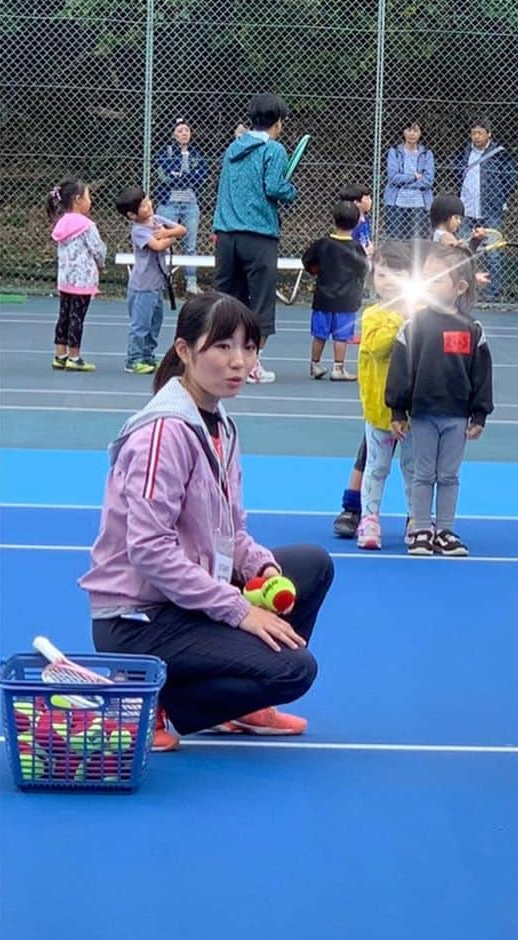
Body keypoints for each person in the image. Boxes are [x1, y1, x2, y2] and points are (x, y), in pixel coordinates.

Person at [79, 293, 334, 751]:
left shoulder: (221, 426)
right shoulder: (164, 432)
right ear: (184, 352)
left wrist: (262, 568)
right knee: (295, 668)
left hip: (186, 601)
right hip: (139, 619)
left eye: (249, 347)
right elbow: (149, 550)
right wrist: (240, 610)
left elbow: (230, 530)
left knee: (311, 565)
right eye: (222, 347)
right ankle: (150, 697)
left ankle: (235, 705)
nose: (239, 361)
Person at [386, 244, 494, 557]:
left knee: (448, 476)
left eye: (437, 279)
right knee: (423, 474)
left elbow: (481, 375)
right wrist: (397, 409)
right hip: (421, 415)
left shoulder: (472, 330)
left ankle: (445, 531)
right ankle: (420, 529)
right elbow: (401, 370)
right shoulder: (413, 326)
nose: (429, 285)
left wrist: (479, 415)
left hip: (457, 417)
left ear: (459, 287)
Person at [212, 93, 298, 384]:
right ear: (278, 122)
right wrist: (291, 191)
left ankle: (220, 361)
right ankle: (251, 364)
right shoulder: (274, 150)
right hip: (259, 236)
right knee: (260, 304)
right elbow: (275, 187)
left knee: (226, 301)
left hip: (225, 235)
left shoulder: (233, 147)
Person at [354, 240, 416, 550]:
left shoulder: (421, 314)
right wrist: (398, 316)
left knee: (413, 470)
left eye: (396, 274)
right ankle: (369, 519)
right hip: (380, 409)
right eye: (380, 275)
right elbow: (378, 347)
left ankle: (415, 519)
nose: (388, 281)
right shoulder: (373, 316)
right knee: (377, 467)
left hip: (414, 412)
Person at [115, 186, 187, 375]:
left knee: (155, 322)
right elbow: (157, 245)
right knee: (140, 324)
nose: (149, 205)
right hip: (142, 286)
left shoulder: (156, 220)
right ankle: (133, 359)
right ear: (132, 214)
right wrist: (170, 238)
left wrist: (166, 233)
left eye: (148, 201)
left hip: (156, 285)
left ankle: (147, 355)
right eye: (143, 205)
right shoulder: (138, 230)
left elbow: (181, 229)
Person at [301, 201, 369, 381]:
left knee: (319, 334)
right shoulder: (356, 248)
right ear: (355, 224)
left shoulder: (322, 244)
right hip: (346, 300)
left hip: (323, 297)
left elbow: (307, 260)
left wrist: (316, 271)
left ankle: (315, 364)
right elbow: (363, 269)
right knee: (342, 336)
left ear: (333, 219)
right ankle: (338, 367)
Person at [453, 117, 516, 299]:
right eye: (473, 133)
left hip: (491, 209)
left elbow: (509, 181)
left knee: (492, 250)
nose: (476, 137)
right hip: (467, 208)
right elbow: (456, 174)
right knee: (464, 249)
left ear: (489, 134)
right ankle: (463, 288)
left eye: (480, 133)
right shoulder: (464, 152)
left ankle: (493, 290)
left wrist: (499, 198)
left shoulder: (500, 154)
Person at [49, 179, 106, 372]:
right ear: (78, 199)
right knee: (77, 318)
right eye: (88, 196)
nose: (91, 200)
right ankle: (74, 357)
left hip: (65, 279)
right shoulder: (87, 225)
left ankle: (60, 354)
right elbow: (98, 249)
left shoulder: (62, 223)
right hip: (82, 281)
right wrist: (101, 264)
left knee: (64, 316)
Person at [153, 117, 208, 293]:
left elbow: (201, 178)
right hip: (169, 204)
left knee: (190, 246)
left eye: (187, 130)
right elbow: (164, 176)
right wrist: (185, 176)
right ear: (173, 135)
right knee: (164, 241)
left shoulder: (197, 154)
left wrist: (180, 175)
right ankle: (161, 280)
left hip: (190, 205)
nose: (184, 133)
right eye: (180, 131)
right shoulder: (165, 152)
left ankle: (191, 282)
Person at [383, 119, 434, 239]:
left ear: (421, 133)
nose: (412, 134)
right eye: (409, 130)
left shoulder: (427, 153)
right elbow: (393, 177)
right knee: (396, 241)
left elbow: (428, 180)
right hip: (396, 203)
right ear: (403, 132)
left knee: (418, 243)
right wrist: (414, 177)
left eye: (415, 130)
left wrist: (404, 182)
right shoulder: (394, 151)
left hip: (419, 203)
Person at [338, 182, 373, 255]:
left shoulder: (365, 219)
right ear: (356, 202)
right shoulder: (350, 223)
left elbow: (367, 239)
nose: (370, 201)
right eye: (367, 199)